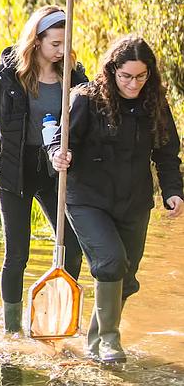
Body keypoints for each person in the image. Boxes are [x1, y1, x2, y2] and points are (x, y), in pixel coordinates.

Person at [49, 35, 183, 362]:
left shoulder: (155, 105)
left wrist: (173, 191)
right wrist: (58, 154)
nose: (133, 83)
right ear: (112, 71)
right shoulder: (85, 99)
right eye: (126, 76)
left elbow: (166, 154)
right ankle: (110, 340)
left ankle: (95, 344)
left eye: (141, 76)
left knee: (127, 276)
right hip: (86, 198)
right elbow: (59, 139)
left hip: (134, 202)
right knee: (109, 262)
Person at [0, 6, 87, 333]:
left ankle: (58, 316)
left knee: (71, 246)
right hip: (13, 170)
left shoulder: (75, 77)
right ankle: (12, 328)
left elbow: (87, 126)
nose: (62, 50)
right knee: (17, 254)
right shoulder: (6, 75)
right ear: (37, 41)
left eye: (66, 43)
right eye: (55, 43)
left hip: (54, 172)